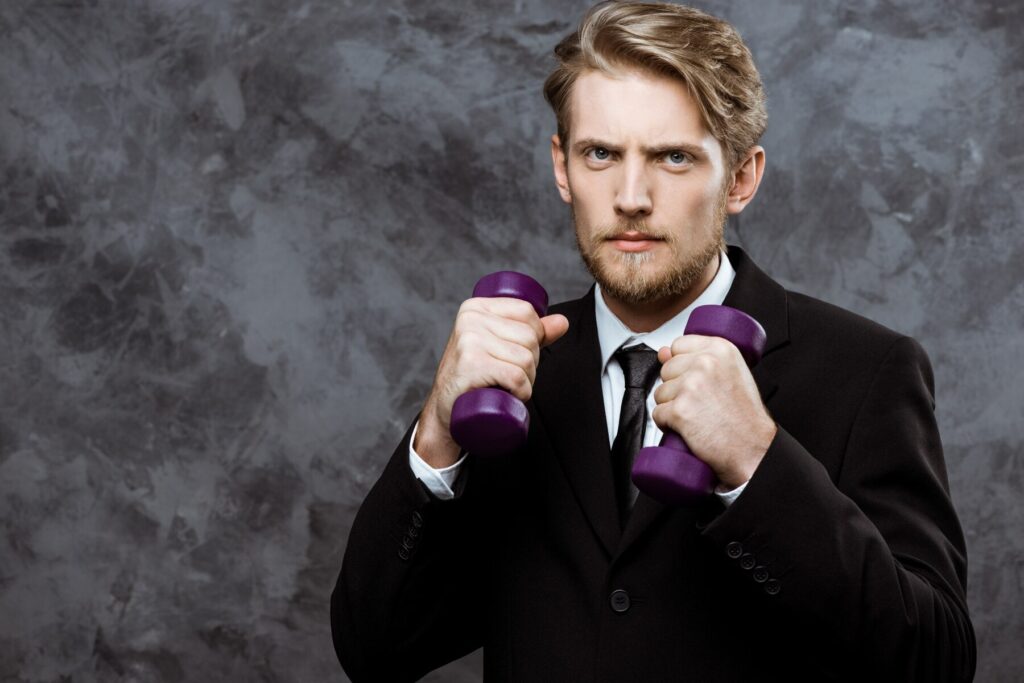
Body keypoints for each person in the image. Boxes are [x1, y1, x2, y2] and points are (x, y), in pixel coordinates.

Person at [331, 2, 976, 681]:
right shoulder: (515, 375)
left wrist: (759, 462)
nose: (630, 195)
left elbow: (933, 662)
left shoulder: (866, 372)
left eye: (672, 157)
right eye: (601, 153)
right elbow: (374, 649)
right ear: (562, 166)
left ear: (742, 177)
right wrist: (436, 431)